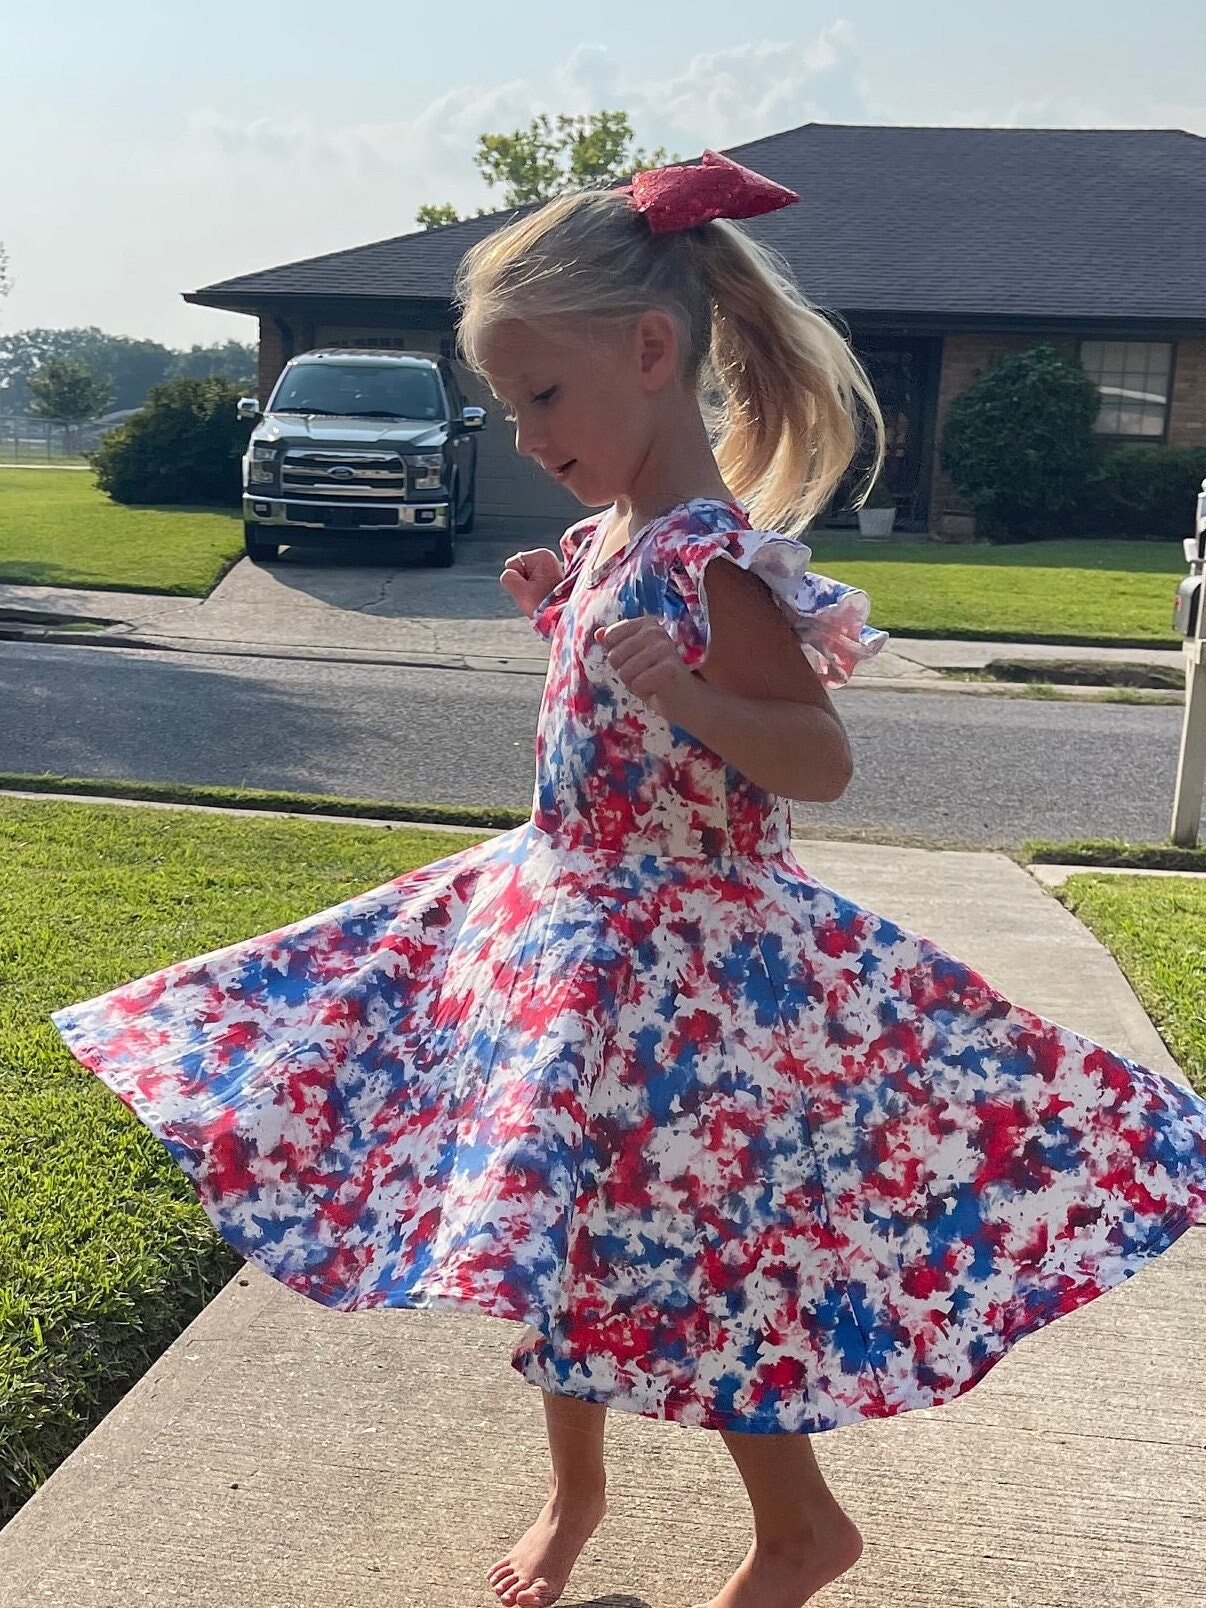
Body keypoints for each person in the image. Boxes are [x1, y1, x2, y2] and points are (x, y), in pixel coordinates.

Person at [51, 150, 1206, 1608]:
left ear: (651, 353)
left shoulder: (716, 562)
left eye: (541, 397)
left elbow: (814, 762)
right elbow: (621, 737)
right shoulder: (614, 542)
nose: (522, 436)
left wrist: (689, 694)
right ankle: (574, 1494)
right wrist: (575, 630)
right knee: (564, 1237)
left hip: (690, 984)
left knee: (705, 1256)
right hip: (571, 937)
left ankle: (798, 1529)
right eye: (504, 404)